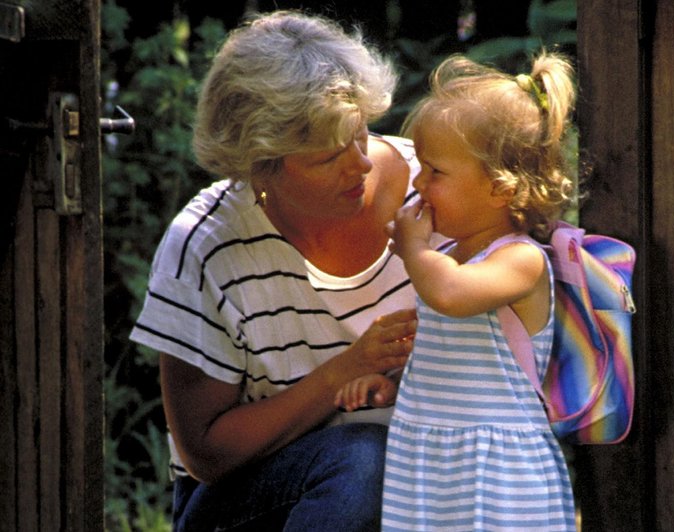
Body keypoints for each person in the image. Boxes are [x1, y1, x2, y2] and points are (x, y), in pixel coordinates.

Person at [129, 10, 422, 531]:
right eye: (329, 156)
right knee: (366, 461)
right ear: (261, 164)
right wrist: (343, 373)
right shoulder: (206, 244)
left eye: (361, 135)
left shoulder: (436, 189)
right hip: (244, 504)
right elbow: (207, 456)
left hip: (420, 481)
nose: (361, 164)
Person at [335, 52, 578, 530]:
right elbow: (452, 353)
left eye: (436, 172)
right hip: (435, 463)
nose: (419, 184)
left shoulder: (520, 260)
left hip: (498, 474)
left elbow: (450, 295)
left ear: (501, 188)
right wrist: (400, 386)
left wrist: (413, 249)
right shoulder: (446, 259)